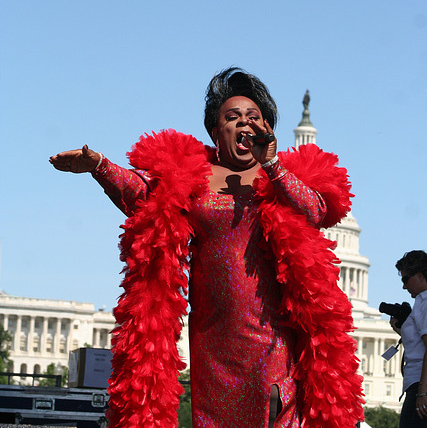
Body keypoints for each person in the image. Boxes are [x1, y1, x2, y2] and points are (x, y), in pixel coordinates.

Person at [50, 67, 363, 428]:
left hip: (272, 343)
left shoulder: (280, 176)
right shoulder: (193, 174)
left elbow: (317, 210)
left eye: (254, 117)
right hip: (212, 344)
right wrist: (100, 167)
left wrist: (273, 166)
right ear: (216, 132)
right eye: (233, 117)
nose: (245, 124)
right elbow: (147, 197)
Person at [390, 250, 427, 427]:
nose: (404, 286)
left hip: (419, 385)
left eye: (406, 279)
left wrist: (422, 392)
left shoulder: (423, 302)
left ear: (420, 276)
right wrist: (402, 332)